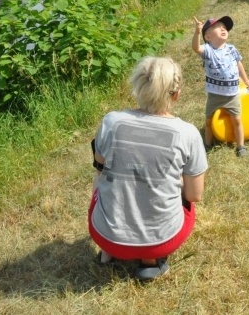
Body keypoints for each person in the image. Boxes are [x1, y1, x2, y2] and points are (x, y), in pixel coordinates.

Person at [88, 56, 207, 281]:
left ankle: (108, 252)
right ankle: (149, 262)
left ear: (138, 86)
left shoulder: (112, 121)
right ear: (177, 93)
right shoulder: (188, 133)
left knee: (101, 178)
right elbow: (194, 195)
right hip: (161, 242)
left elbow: (100, 168)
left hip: (104, 235)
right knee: (186, 199)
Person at [192, 16, 249, 155]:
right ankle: (207, 145)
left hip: (232, 94)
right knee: (208, 122)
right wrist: (197, 32)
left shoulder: (232, 49)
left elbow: (239, 64)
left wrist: (246, 79)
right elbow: (195, 48)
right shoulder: (208, 51)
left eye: (225, 27)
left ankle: (241, 146)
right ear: (207, 37)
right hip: (214, 95)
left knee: (237, 120)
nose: (223, 29)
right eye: (218, 27)